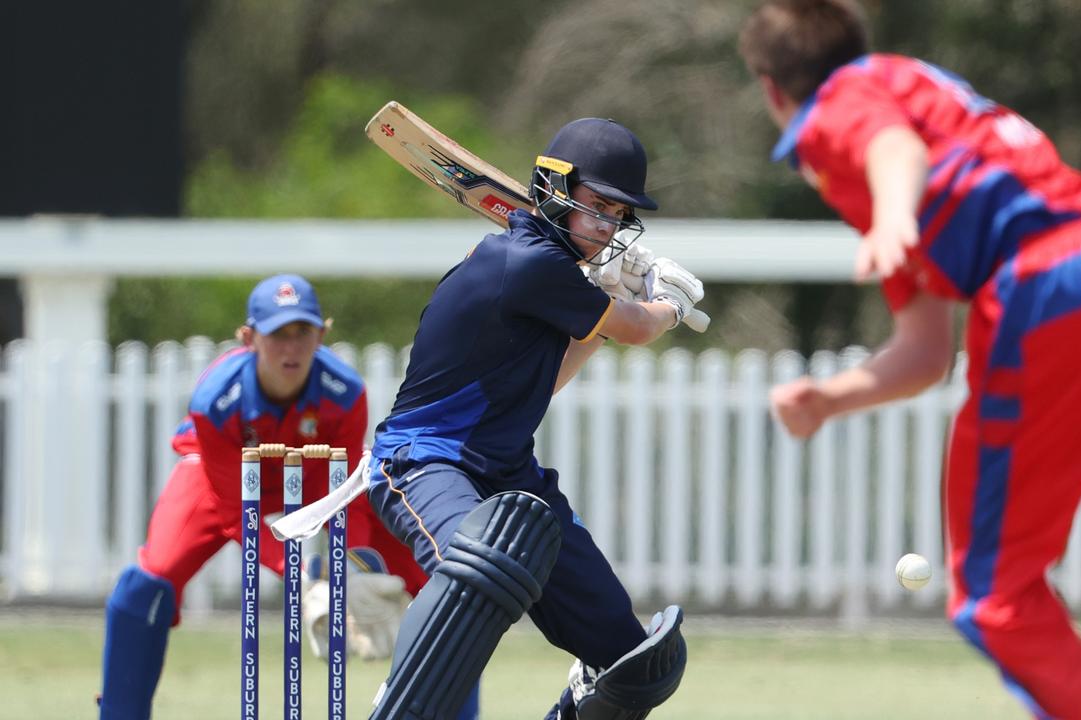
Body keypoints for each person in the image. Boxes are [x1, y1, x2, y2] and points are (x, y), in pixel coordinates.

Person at [739, 1, 1081, 718]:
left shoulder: (846, 104)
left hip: (1048, 294)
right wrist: (832, 397)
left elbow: (895, 151)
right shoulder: (915, 90)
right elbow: (927, 351)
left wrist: (895, 213)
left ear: (772, 89)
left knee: (996, 595)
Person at [364, 118, 696, 720]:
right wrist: (666, 302)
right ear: (552, 187)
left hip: (508, 471)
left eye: (618, 213)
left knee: (635, 666)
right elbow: (642, 328)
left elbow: (549, 380)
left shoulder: (553, 275)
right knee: (476, 575)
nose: (607, 225)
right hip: (423, 461)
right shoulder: (526, 261)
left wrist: (599, 309)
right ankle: (398, 704)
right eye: (596, 205)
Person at [97, 274, 480, 720]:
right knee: (146, 585)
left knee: (446, 584)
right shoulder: (216, 402)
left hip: (318, 478)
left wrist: (349, 566)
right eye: (277, 334)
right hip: (223, 482)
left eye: (303, 333)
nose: (291, 348)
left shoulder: (345, 393)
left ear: (322, 333)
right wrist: (303, 571)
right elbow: (234, 509)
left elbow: (347, 492)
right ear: (248, 338)